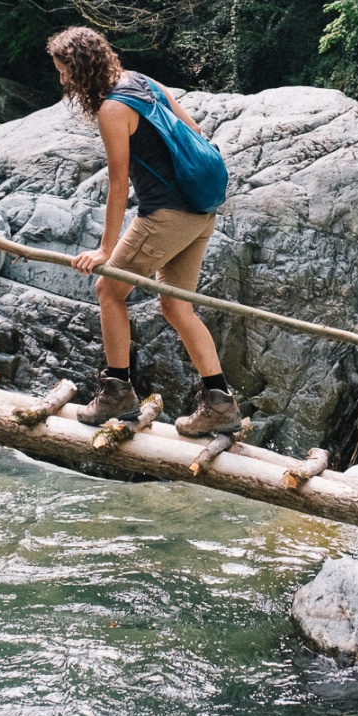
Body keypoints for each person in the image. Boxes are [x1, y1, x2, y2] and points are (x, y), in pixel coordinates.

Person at [45, 26, 242, 437]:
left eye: (64, 71)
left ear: (81, 69)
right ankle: (220, 403)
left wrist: (105, 249)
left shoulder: (113, 109)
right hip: (202, 211)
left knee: (108, 290)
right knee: (175, 306)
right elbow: (197, 134)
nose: (62, 80)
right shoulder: (143, 81)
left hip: (167, 216)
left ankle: (118, 391)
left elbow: (118, 185)